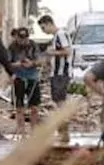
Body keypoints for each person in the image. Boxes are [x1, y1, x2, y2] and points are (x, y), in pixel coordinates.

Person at [38, 14, 73, 142]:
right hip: (56, 73)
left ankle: (64, 131)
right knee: (58, 102)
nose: (43, 31)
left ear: (48, 24)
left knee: (60, 103)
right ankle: (62, 131)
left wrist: (52, 53)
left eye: (43, 28)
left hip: (61, 73)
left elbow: (67, 51)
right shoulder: (55, 37)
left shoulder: (61, 34)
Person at [7, 27, 41, 136]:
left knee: (34, 107)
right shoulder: (12, 47)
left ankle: (34, 131)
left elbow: (40, 61)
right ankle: (21, 131)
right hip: (19, 77)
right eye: (20, 38)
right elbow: (7, 63)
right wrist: (17, 65)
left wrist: (32, 63)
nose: (23, 41)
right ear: (17, 37)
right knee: (19, 106)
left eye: (25, 38)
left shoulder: (33, 45)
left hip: (32, 77)